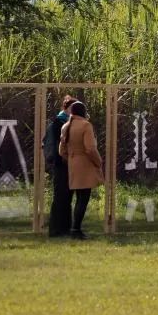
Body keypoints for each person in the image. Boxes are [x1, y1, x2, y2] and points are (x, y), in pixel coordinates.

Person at [58, 101, 104, 240]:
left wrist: (72, 158)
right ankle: (76, 229)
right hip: (85, 164)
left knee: (78, 197)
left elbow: (61, 150)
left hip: (73, 164)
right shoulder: (86, 125)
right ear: (83, 111)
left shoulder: (66, 126)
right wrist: (99, 162)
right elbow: (90, 149)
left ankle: (74, 228)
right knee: (83, 199)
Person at [43, 95, 76, 237]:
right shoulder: (58, 123)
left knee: (67, 197)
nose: (72, 111)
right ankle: (55, 229)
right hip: (60, 163)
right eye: (71, 108)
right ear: (65, 108)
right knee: (60, 197)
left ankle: (65, 228)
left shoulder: (70, 122)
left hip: (69, 164)